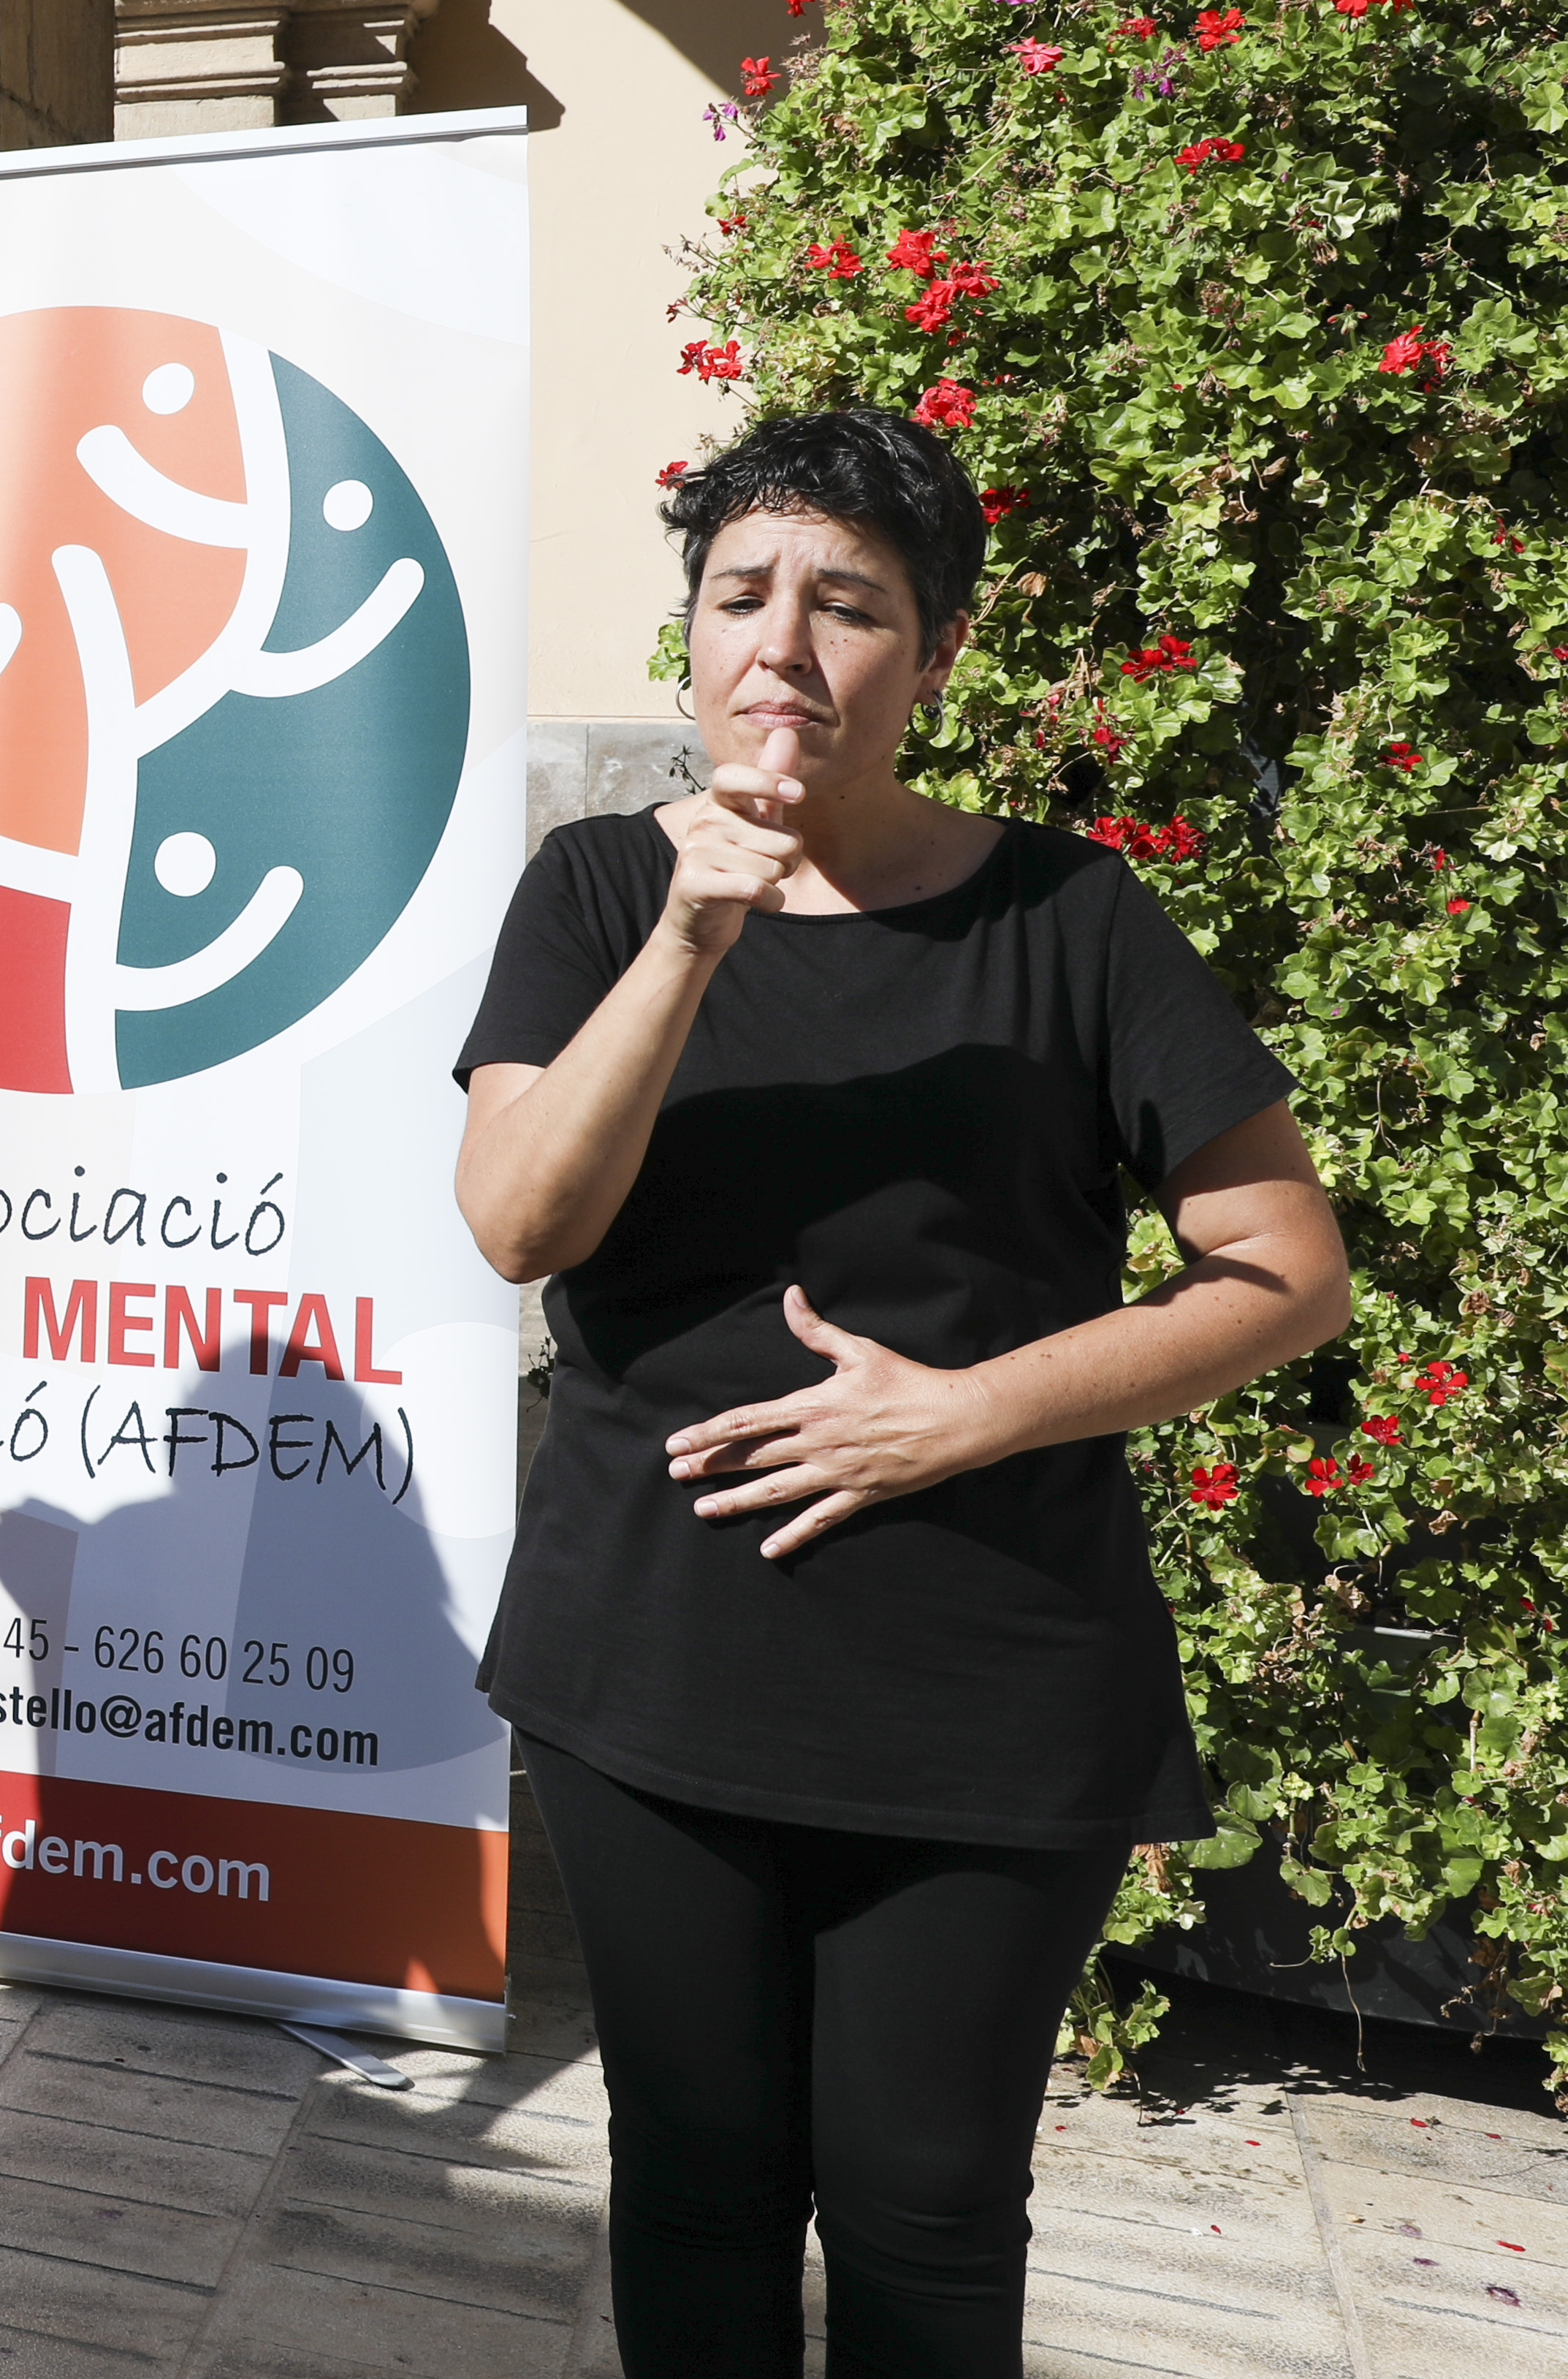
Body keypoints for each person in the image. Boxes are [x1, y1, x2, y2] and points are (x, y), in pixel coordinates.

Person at [451, 411, 1352, 2375]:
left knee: (922, 2212)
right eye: (736, 595)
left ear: (930, 657)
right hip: (652, 1666)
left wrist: (959, 1412)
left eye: (845, 604)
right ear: (685, 638)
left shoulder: (1065, 921)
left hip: (979, 1684)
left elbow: (1282, 1268)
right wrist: (696, 929)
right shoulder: (601, 894)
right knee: (687, 2181)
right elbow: (520, 1223)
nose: (778, 644)